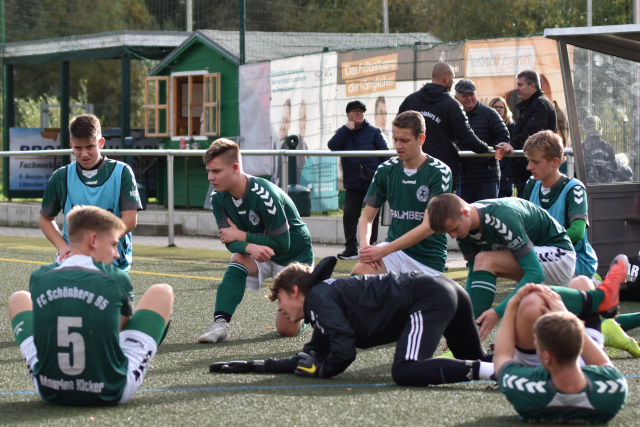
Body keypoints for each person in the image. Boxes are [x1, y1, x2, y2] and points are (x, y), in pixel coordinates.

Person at [209, 256, 495, 385]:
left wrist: (322, 372)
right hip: (443, 290)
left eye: (280, 299)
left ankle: (494, 371)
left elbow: (344, 349)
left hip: (429, 296)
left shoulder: (318, 299)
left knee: (405, 371)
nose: (280, 309)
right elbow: (312, 354)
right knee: (478, 359)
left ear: (295, 290)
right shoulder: (322, 301)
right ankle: (513, 363)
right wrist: (257, 365)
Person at [8, 205, 174, 405]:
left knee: (18, 298)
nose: (117, 254)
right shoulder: (116, 278)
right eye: (113, 244)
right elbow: (119, 329)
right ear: (93, 240)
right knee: (162, 291)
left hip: (50, 391)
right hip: (110, 391)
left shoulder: (39, 276)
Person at [198, 138, 314, 343]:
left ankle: (308, 311)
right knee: (238, 258)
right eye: (208, 171)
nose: (210, 177)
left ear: (235, 168)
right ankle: (220, 324)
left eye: (216, 171)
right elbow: (229, 240)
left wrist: (243, 237)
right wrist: (250, 246)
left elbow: (283, 244)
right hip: (261, 251)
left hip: (293, 257)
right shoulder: (218, 198)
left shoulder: (265, 195)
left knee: (286, 330)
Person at [428, 193, 576, 340]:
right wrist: (463, 317)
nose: (453, 236)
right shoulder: (464, 228)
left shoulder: (501, 217)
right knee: (529, 339)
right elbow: (473, 274)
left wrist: (497, 312)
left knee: (485, 259)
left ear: (465, 212)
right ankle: (472, 333)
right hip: (535, 260)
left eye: (454, 229)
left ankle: (473, 335)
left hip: (561, 256)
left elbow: (536, 273)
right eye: (448, 232)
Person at [494, 283, 627, 424]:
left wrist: (512, 303)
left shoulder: (524, 388)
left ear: (547, 356)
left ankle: (594, 299)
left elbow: (502, 356)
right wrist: (568, 318)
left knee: (533, 302)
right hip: (577, 357)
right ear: (580, 346)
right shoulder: (613, 388)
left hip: (548, 372)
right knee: (582, 282)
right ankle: (597, 299)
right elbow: (603, 362)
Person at [39, 114, 142, 271]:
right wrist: (62, 247)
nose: (84, 154)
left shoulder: (122, 172)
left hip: (113, 262)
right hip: (74, 260)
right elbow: (45, 218)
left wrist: (97, 246)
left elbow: (130, 220)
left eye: (89, 147)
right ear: (71, 145)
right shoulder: (61, 176)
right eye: (78, 148)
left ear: (101, 143)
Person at [354, 111, 451, 276]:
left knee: (414, 293)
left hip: (428, 258)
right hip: (394, 252)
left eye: (404, 140)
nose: (398, 145)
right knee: (361, 270)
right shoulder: (385, 169)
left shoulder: (439, 172)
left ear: (421, 139)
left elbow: (428, 227)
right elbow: (366, 218)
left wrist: (383, 251)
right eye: (395, 139)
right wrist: (365, 248)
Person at [398, 62, 491, 189]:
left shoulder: (410, 100)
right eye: (452, 78)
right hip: (442, 169)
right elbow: (465, 136)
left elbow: (398, 128)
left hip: (412, 167)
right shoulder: (452, 105)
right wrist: (485, 148)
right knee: (441, 202)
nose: (453, 81)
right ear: (446, 78)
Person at [522, 130, 598, 279]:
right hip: (544, 254)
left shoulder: (574, 188)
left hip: (576, 260)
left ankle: (588, 285)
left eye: (536, 162)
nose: (529, 167)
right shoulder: (531, 184)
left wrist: (540, 240)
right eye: (528, 161)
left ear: (555, 162)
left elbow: (577, 232)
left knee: (520, 257)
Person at [328, 100, 388, 260]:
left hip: (372, 181)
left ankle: (371, 246)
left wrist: (382, 175)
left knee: (372, 216)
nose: (358, 113)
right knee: (349, 215)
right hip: (353, 183)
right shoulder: (344, 132)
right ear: (348, 115)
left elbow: (385, 153)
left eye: (361, 111)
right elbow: (332, 146)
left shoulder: (374, 131)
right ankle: (351, 248)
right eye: (355, 111)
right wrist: (344, 130)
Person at [454, 79, 511, 202]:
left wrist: (492, 154)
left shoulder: (490, 113)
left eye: (471, 94)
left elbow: (503, 137)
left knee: (488, 212)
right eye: (464, 96)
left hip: (487, 177)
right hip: (462, 178)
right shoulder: (452, 115)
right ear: (456, 97)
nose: (469, 98)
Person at [509, 70, 557, 197]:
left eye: (520, 85)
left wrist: (513, 144)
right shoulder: (533, 104)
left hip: (535, 172)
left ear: (532, 86)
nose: (517, 88)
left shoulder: (539, 104)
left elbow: (533, 134)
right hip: (531, 169)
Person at [489, 97, 516, 197]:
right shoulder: (487, 125)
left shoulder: (511, 126)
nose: (498, 109)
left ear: (505, 109)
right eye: (495, 107)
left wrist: (508, 174)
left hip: (505, 173)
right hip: (489, 171)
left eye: (501, 107)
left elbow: (514, 149)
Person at [581, 115, 618, 184]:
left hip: (587, 187)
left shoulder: (582, 147)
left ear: (584, 130)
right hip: (606, 187)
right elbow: (615, 171)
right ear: (601, 130)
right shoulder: (608, 147)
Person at [271, 99, 292, 186]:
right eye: (282, 119)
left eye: (286, 121)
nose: (283, 126)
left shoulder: (290, 146)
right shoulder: (275, 144)